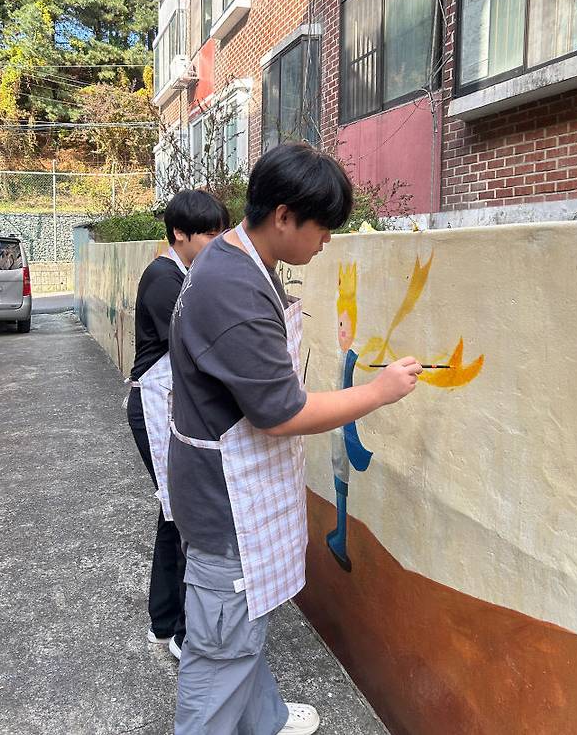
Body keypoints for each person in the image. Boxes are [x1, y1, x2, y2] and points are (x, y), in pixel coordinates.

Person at [167, 144, 424, 735]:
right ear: (283, 217)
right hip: (226, 501)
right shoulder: (233, 290)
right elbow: (283, 413)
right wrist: (379, 391)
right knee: (223, 645)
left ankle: (267, 720)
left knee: (241, 626)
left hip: (226, 484)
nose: (327, 241)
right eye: (323, 227)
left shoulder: (238, 259)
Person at [126, 189, 229, 662]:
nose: (216, 242)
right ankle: (184, 634)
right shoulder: (165, 279)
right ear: (179, 234)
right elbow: (198, 341)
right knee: (183, 515)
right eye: (208, 234)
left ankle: (165, 622)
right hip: (155, 404)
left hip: (170, 404)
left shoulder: (185, 274)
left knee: (174, 515)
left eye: (220, 232)